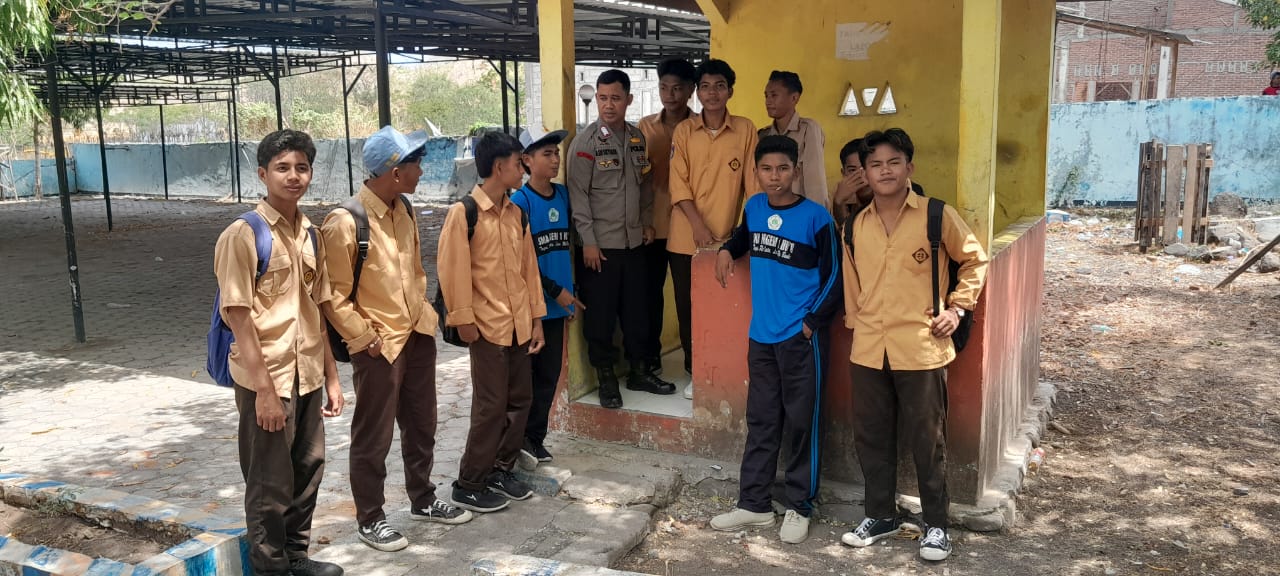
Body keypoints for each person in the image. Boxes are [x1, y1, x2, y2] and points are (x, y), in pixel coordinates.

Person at [837, 128, 988, 562]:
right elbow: (852, 286)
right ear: (864, 174)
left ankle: (936, 524)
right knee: (871, 437)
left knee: (928, 439)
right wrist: (858, 327)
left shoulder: (936, 215)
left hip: (921, 346)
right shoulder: (854, 226)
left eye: (893, 162)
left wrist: (957, 309)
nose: (884, 171)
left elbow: (975, 259)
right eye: (875, 165)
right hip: (869, 348)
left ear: (909, 168)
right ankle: (880, 515)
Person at [321, 126, 472, 553]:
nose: (421, 171)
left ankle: (423, 498)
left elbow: (414, 271)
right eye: (415, 164)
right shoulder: (345, 221)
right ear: (393, 171)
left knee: (422, 424)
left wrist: (425, 316)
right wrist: (364, 337)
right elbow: (332, 296)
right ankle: (371, 518)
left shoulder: (403, 207)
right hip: (377, 345)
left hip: (416, 335)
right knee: (374, 435)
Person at [214, 129, 345, 576]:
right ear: (262, 174)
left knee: (308, 469)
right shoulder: (243, 235)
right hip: (266, 379)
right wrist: (266, 393)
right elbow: (238, 317)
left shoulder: (312, 234)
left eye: (301, 168)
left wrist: (332, 377)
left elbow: (317, 309)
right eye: (282, 168)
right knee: (268, 483)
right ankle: (270, 569)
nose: (293, 176)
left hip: (307, 374)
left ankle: (295, 557)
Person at [709, 136, 842, 545]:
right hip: (762, 337)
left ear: (796, 171)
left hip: (801, 338)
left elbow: (835, 279)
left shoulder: (817, 219)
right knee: (762, 420)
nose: (775, 176)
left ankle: (801, 505)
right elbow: (743, 237)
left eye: (783, 168)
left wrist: (811, 323)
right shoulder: (754, 207)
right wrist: (726, 250)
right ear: (756, 172)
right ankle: (754, 504)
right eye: (766, 169)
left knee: (803, 423)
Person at [439, 131, 547, 513]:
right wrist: (463, 320)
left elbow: (528, 270)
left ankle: (501, 470)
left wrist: (536, 319)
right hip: (486, 327)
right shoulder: (464, 213)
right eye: (519, 163)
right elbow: (452, 270)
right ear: (499, 167)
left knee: (520, 400)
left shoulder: (517, 214)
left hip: (518, 325)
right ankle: (470, 482)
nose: (524, 170)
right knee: (491, 406)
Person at [567, 69, 676, 410]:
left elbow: (644, 186)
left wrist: (646, 221)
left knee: (637, 312)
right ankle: (606, 379)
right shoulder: (585, 143)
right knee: (600, 318)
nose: (608, 105)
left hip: (634, 244)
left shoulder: (636, 138)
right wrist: (588, 241)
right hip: (600, 247)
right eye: (603, 98)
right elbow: (578, 197)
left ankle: (639, 371)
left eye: (615, 98)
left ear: (628, 99)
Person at [669, 58, 759, 399]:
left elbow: (753, 186)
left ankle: (721, 368)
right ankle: (694, 371)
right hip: (685, 236)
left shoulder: (745, 130)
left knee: (722, 304)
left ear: (730, 91)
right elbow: (678, 183)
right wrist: (697, 225)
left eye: (719, 86)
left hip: (726, 238)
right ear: (697, 92)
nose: (712, 93)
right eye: (705, 87)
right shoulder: (684, 131)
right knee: (688, 307)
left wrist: (744, 233)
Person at [511, 127, 584, 467]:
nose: (555, 160)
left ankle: (535, 439)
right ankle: (518, 440)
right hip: (533, 307)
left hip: (559, 307)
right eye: (547, 154)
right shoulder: (520, 203)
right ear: (526, 160)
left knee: (549, 377)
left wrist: (570, 293)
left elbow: (567, 248)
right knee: (526, 379)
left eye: (556, 153)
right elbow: (521, 263)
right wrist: (556, 291)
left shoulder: (563, 195)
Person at [637, 58, 697, 382]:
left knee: (689, 300)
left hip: (688, 227)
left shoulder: (700, 128)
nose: (670, 95)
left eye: (677, 88)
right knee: (649, 297)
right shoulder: (644, 128)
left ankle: (693, 363)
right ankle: (649, 359)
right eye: (664, 88)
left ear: (690, 90)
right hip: (653, 227)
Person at [759, 71, 829, 210]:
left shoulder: (808, 129)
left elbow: (815, 181)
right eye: (766, 96)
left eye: (774, 95)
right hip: (772, 212)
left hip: (800, 211)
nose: (768, 101)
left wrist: (816, 217)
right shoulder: (763, 135)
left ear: (794, 98)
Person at [830, 137, 872, 227]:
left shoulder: (888, 196)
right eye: (852, 170)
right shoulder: (842, 197)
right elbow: (846, 232)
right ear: (843, 173)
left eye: (865, 167)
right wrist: (838, 203)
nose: (860, 175)